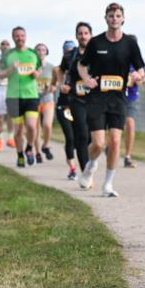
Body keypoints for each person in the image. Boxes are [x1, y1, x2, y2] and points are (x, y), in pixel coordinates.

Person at [77, 3, 145, 197]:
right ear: (105, 19)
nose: (114, 19)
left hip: (118, 99)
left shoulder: (130, 43)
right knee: (98, 144)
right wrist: (86, 80)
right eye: (111, 16)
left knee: (115, 141)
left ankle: (107, 184)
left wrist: (138, 77)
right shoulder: (96, 42)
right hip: (97, 98)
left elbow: (141, 69)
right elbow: (82, 66)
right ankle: (90, 165)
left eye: (117, 16)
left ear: (123, 19)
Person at [0, 26, 41, 167]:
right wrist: (11, 69)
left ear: (26, 36)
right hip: (13, 97)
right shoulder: (8, 55)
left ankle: (29, 148)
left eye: (22, 35)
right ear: (13, 38)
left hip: (31, 95)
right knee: (18, 130)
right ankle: (19, 155)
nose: (20, 38)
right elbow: (0, 75)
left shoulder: (32, 53)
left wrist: (36, 74)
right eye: (17, 36)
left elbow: (39, 69)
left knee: (31, 126)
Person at [63, 23, 94, 180]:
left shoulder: (98, 53)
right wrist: (62, 85)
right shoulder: (70, 56)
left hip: (94, 100)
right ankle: (85, 173)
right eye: (80, 33)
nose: (83, 36)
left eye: (86, 33)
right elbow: (61, 73)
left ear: (90, 35)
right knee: (81, 134)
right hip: (76, 100)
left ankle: (89, 163)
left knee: (91, 137)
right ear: (76, 36)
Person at [55, 40, 80, 180]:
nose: (68, 53)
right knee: (70, 138)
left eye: (71, 50)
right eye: (66, 51)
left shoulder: (82, 64)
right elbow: (55, 79)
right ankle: (72, 169)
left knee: (84, 138)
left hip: (79, 105)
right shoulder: (59, 69)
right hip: (64, 106)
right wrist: (59, 85)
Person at [33, 43, 56, 164]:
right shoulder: (32, 67)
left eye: (43, 50)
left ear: (46, 52)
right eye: (38, 50)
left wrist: (53, 87)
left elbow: (56, 83)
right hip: (34, 100)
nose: (41, 52)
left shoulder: (52, 68)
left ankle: (45, 145)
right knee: (36, 129)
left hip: (48, 99)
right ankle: (37, 153)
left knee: (47, 124)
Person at [123, 64, 145, 168]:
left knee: (130, 123)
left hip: (131, 98)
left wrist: (141, 80)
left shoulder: (135, 59)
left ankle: (127, 157)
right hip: (116, 97)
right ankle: (110, 146)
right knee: (116, 127)